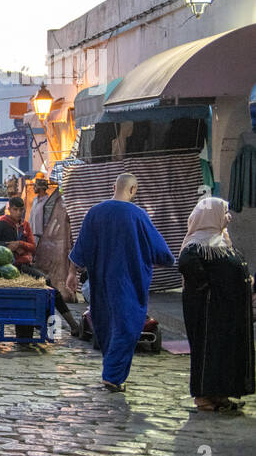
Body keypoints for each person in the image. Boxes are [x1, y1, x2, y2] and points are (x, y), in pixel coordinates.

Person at [67, 174, 175, 393]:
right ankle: (112, 376)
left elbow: (81, 248)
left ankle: (112, 372)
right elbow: (164, 254)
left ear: (113, 186)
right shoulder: (139, 216)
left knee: (106, 327)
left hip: (101, 283)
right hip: (129, 283)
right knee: (127, 329)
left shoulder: (95, 212)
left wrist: (71, 274)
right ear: (133, 189)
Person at [177, 197, 253, 411]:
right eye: (224, 213)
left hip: (227, 312)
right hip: (210, 313)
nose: (228, 217)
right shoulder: (196, 245)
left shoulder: (222, 240)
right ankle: (203, 397)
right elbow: (189, 269)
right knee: (209, 351)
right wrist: (212, 290)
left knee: (225, 352)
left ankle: (220, 393)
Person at [0, 196, 80, 337]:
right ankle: (67, 325)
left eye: (21, 210)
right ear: (9, 209)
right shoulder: (2, 224)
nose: (18, 213)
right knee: (47, 284)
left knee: (50, 288)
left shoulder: (25, 225)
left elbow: (33, 247)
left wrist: (20, 244)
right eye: (15, 210)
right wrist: (8, 246)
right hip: (10, 268)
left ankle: (71, 324)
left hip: (25, 267)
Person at [29, 178, 51, 246]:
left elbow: (48, 220)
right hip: (32, 235)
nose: (34, 188)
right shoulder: (35, 200)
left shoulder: (48, 202)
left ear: (41, 188)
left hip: (42, 237)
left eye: (35, 186)